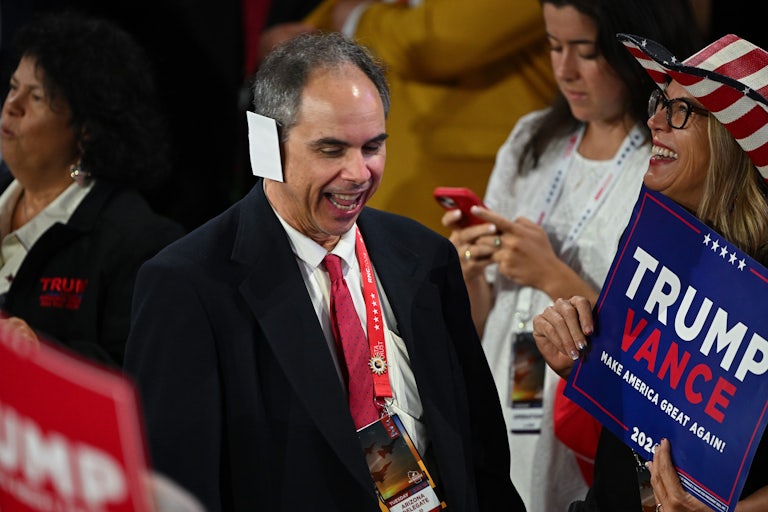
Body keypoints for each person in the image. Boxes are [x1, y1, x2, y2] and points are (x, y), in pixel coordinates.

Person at [123, 32, 522, 511]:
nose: (358, 173)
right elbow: (174, 492)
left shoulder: (426, 257)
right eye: (332, 150)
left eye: (372, 147)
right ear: (267, 145)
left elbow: (481, 460)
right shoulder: (187, 285)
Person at [439, 0, 702, 509]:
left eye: (585, 51)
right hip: (504, 387)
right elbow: (479, 316)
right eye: (554, 47)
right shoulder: (532, 139)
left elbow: (659, 351)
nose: (564, 70)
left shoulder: (664, 164)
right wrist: (469, 270)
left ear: (632, 51)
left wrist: (554, 276)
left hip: (583, 415)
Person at [532, 32, 768, 511]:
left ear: (731, 141)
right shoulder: (651, 237)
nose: (655, 120)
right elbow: (641, 415)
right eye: (659, 101)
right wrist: (584, 358)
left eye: (680, 111)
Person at [0, 12, 184, 366]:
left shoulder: (138, 243)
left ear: (87, 130)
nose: (12, 106)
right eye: (12, 87)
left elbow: (137, 376)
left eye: (36, 97)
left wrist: (40, 350)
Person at [296, 0, 557, 233]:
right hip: (381, 184)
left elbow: (439, 41)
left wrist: (358, 20)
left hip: (465, 188)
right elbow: (318, 24)